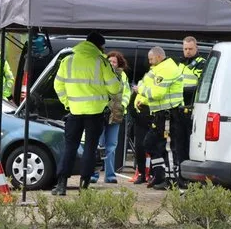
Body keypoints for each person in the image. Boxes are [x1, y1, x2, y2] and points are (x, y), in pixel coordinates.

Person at [51, 31, 121, 195]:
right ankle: (84, 185)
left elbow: (58, 86)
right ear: (99, 46)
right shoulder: (100, 62)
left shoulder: (67, 60)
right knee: (90, 148)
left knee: (70, 147)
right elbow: (115, 88)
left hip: (74, 112)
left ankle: (61, 185)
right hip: (95, 112)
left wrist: (67, 103)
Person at [135, 46, 185, 190]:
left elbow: (156, 93)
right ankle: (160, 174)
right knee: (150, 144)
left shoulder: (167, 69)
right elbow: (147, 84)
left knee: (168, 148)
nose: (150, 62)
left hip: (169, 113)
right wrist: (143, 100)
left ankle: (171, 180)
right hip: (160, 114)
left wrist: (140, 91)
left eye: (151, 59)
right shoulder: (158, 69)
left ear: (158, 57)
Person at [91, 51, 130, 184]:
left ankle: (110, 175)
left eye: (114, 61)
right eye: (110, 61)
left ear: (119, 63)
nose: (112, 63)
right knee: (99, 145)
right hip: (101, 113)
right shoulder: (100, 73)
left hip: (116, 114)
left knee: (112, 146)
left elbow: (127, 93)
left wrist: (123, 105)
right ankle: (94, 174)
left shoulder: (123, 75)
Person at [178, 36, 207, 170]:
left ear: (196, 48)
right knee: (179, 142)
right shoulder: (180, 63)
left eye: (190, 49)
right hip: (180, 106)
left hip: (192, 106)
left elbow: (200, 84)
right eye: (185, 49)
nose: (188, 51)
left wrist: (182, 89)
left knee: (189, 142)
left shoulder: (201, 63)